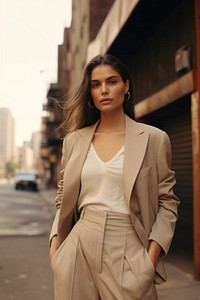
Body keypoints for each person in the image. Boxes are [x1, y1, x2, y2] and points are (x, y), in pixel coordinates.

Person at [49, 54, 180, 300]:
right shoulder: (75, 141)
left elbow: (168, 202)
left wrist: (150, 257)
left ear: (126, 86)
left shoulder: (153, 138)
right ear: (90, 92)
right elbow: (63, 196)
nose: (104, 90)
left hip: (129, 247)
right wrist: (56, 248)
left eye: (112, 81)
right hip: (79, 245)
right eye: (96, 85)